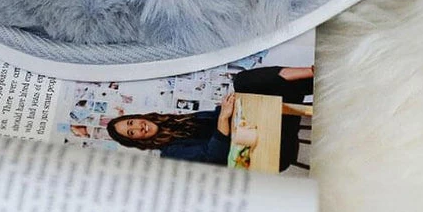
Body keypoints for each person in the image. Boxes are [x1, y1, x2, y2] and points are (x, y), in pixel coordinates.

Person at [106, 66, 313, 169]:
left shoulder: (179, 121)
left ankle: (312, 72)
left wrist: (228, 105)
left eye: (131, 122)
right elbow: (214, 155)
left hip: (261, 125)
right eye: (131, 133)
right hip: (266, 150)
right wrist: (223, 119)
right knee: (250, 83)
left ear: (138, 117)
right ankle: (314, 77)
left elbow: (218, 117)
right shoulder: (170, 154)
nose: (138, 128)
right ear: (136, 141)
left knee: (243, 82)